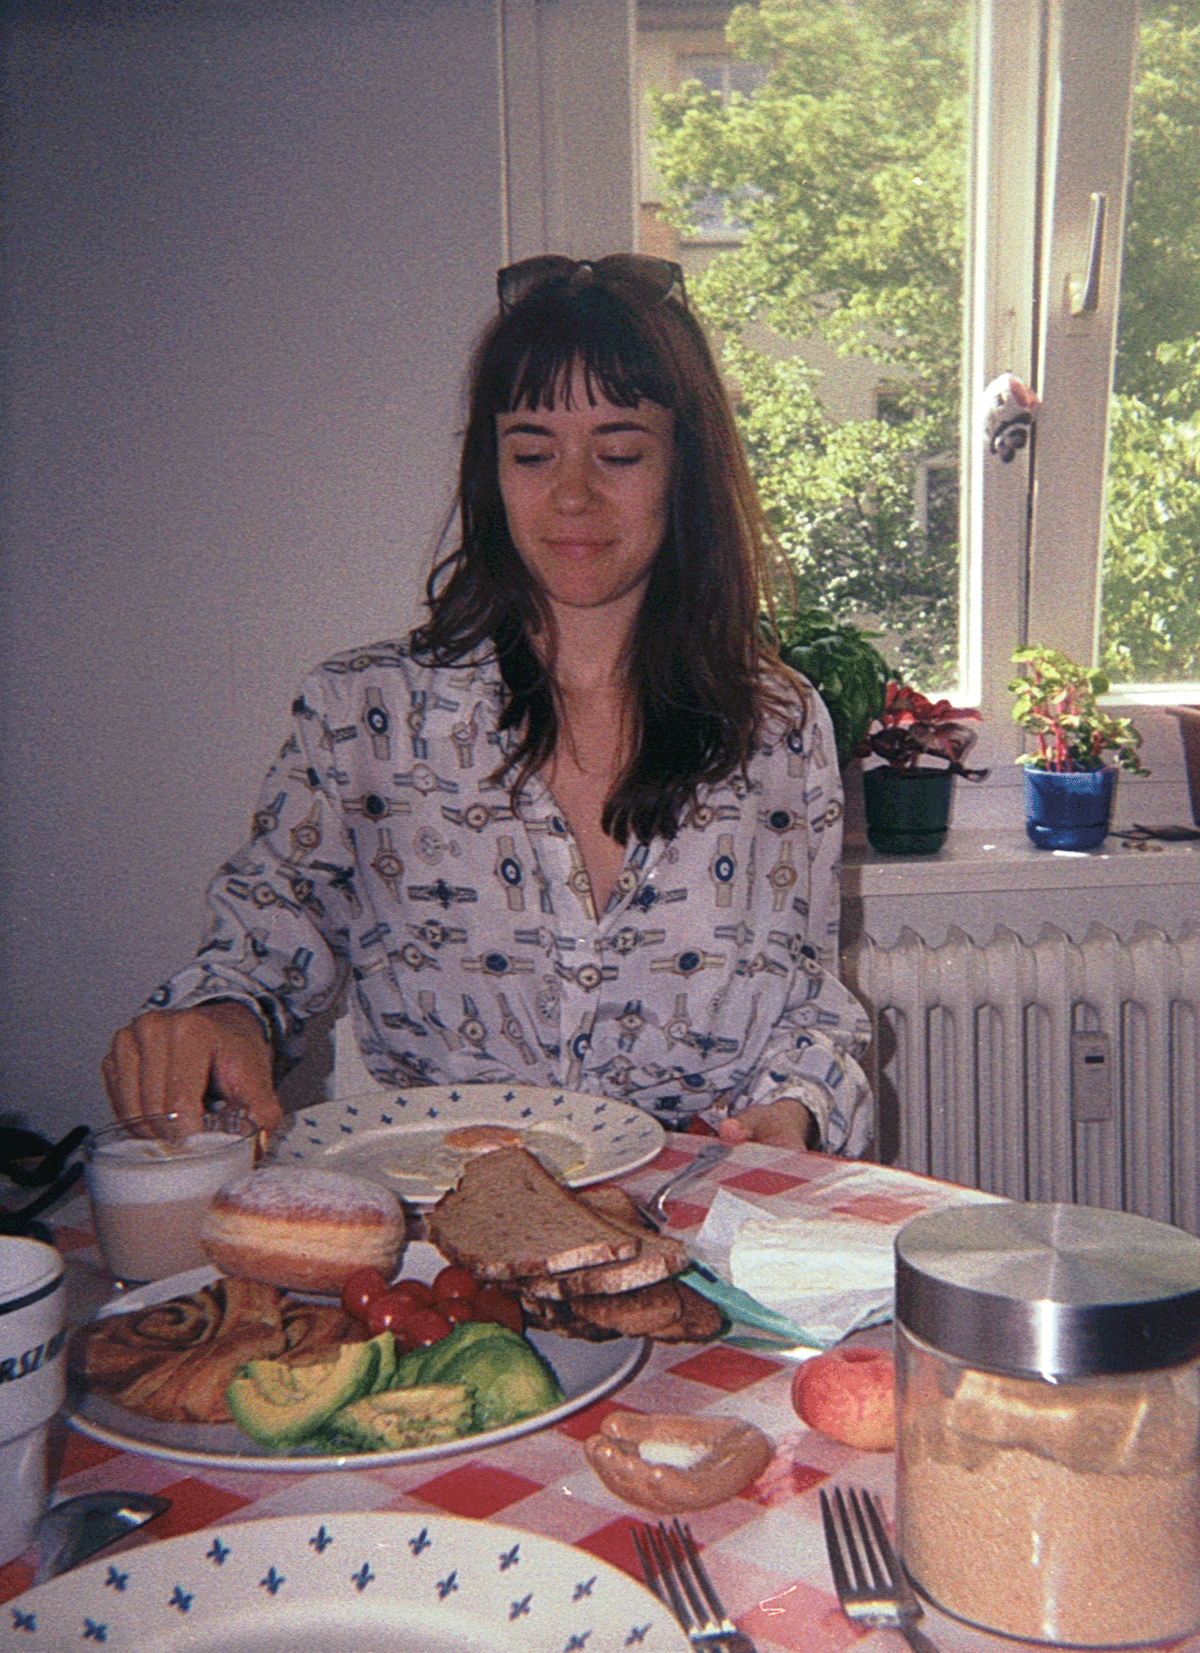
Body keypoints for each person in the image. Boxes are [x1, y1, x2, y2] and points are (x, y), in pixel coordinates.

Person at [102, 254, 872, 1156]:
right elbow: (256, 952)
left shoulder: (778, 728)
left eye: (620, 452)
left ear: (683, 466)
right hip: (442, 1225)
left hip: (688, 1216)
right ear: (490, 469)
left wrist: (795, 1108)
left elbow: (810, 1013)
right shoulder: (362, 717)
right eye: (532, 452)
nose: (572, 493)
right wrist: (219, 1018)